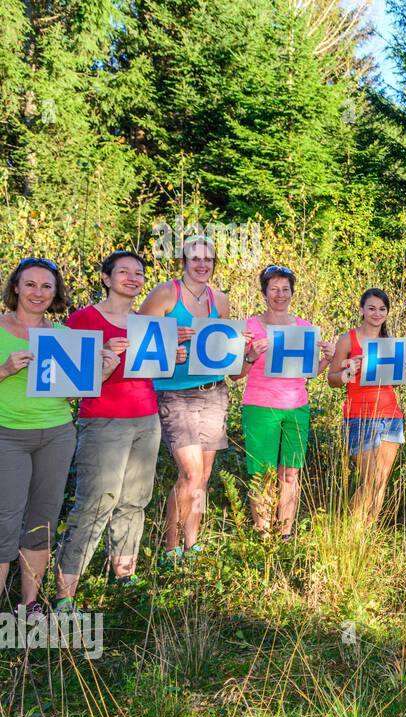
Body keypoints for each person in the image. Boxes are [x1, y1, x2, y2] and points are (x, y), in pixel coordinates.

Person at [54, 252, 186, 610]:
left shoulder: (148, 323)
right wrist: (102, 357)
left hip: (146, 418)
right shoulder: (84, 320)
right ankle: (65, 593)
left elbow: (153, 369)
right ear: (106, 278)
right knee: (95, 503)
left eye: (139, 273)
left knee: (135, 500)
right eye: (123, 272)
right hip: (103, 421)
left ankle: (124, 576)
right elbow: (66, 379)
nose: (132, 277)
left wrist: (171, 359)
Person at [0, 258, 117, 619]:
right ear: (15, 287)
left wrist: (104, 369)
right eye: (30, 284)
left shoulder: (62, 337)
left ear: (56, 293)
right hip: (8, 435)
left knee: (43, 520)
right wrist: (5, 369)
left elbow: (74, 391)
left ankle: (29, 604)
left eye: (46, 286)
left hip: (56, 434)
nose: (38, 293)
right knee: (5, 519)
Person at [137, 234, 250, 564]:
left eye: (209, 259)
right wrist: (172, 340)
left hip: (214, 392)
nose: (203, 264)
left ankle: (193, 543)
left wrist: (245, 350)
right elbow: (140, 344)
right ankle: (171, 548)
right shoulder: (165, 294)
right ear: (183, 262)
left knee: (202, 476)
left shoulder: (221, 301)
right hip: (175, 394)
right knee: (189, 473)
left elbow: (224, 357)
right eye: (195, 258)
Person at [234, 265, 335, 539]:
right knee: (262, 473)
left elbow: (310, 372)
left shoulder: (303, 327)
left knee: (291, 473)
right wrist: (251, 356)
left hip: (296, 407)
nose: (280, 294)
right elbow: (234, 375)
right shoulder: (250, 327)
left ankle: (286, 532)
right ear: (264, 292)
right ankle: (264, 533)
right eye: (274, 289)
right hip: (260, 406)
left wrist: (327, 357)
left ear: (292, 293)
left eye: (285, 289)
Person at [327, 288, 406, 522]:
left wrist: (405, 372)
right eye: (371, 308)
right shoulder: (348, 339)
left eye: (382, 309)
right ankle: (349, 533)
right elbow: (332, 380)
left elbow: (391, 384)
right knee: (373, 479)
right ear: (362, 310)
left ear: (387, 313)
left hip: (391, 417)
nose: (377, 313)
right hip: (360, 417)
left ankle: (366, 536)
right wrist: (349, 370)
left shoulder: (389, 343)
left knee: (380, 482)